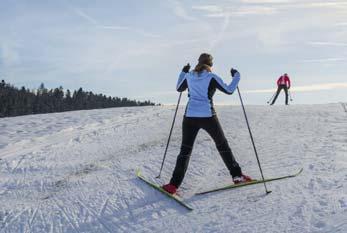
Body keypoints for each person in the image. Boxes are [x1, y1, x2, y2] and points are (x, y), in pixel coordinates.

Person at [162, 53, 252, 195]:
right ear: (210, 65)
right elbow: (229, 90)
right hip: (208, 116)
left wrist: (183, 71)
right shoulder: (211, 77)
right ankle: (237, 176)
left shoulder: (189, 75)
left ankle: (173, 185)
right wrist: (237, 75)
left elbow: (179, 88)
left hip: (190, 117)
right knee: (222, 145)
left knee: (185, 151)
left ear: (198, 62)